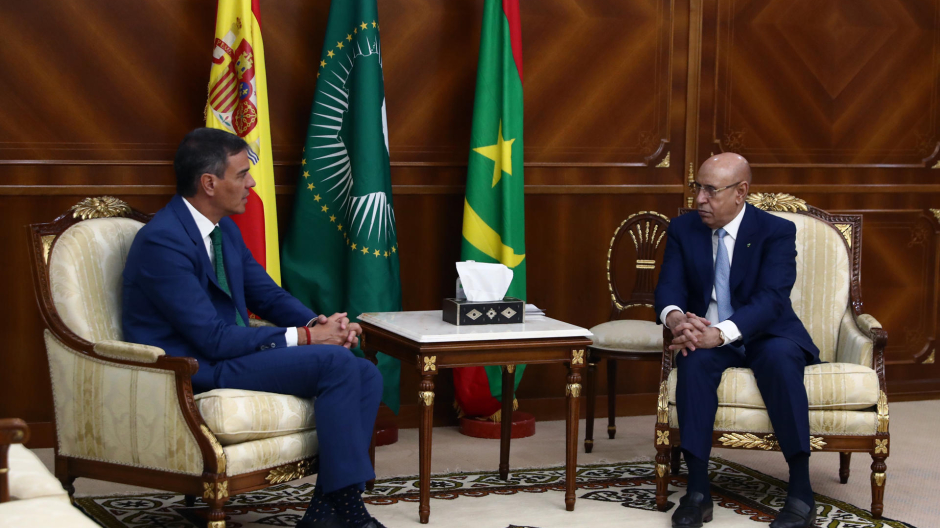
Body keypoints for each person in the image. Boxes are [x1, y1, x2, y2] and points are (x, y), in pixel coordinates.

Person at [122, 128, 384, 528]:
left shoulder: (223, 228)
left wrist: (318, 322)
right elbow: (211, 337)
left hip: (231, 354)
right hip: (193, 367)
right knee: (336, 363)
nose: (251, 183)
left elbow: (268, 295)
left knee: (364, 370)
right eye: (242, 174)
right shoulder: (163, 242)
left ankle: (328, 509)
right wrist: (311, 338)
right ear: (209, 183)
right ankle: (343, 510)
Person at [654, 153, 820, 528]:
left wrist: (720, 332)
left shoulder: (775, 231)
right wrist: (678, 320)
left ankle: (801, 492)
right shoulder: (683, 229)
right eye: (698, 188)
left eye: (711, 191)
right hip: (705, 334)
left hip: (765, 332)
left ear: (740, 192)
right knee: (693, 361)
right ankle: (697, 491)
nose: (699, 199)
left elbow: (772, 299)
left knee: (779, 359)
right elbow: (668, 288)